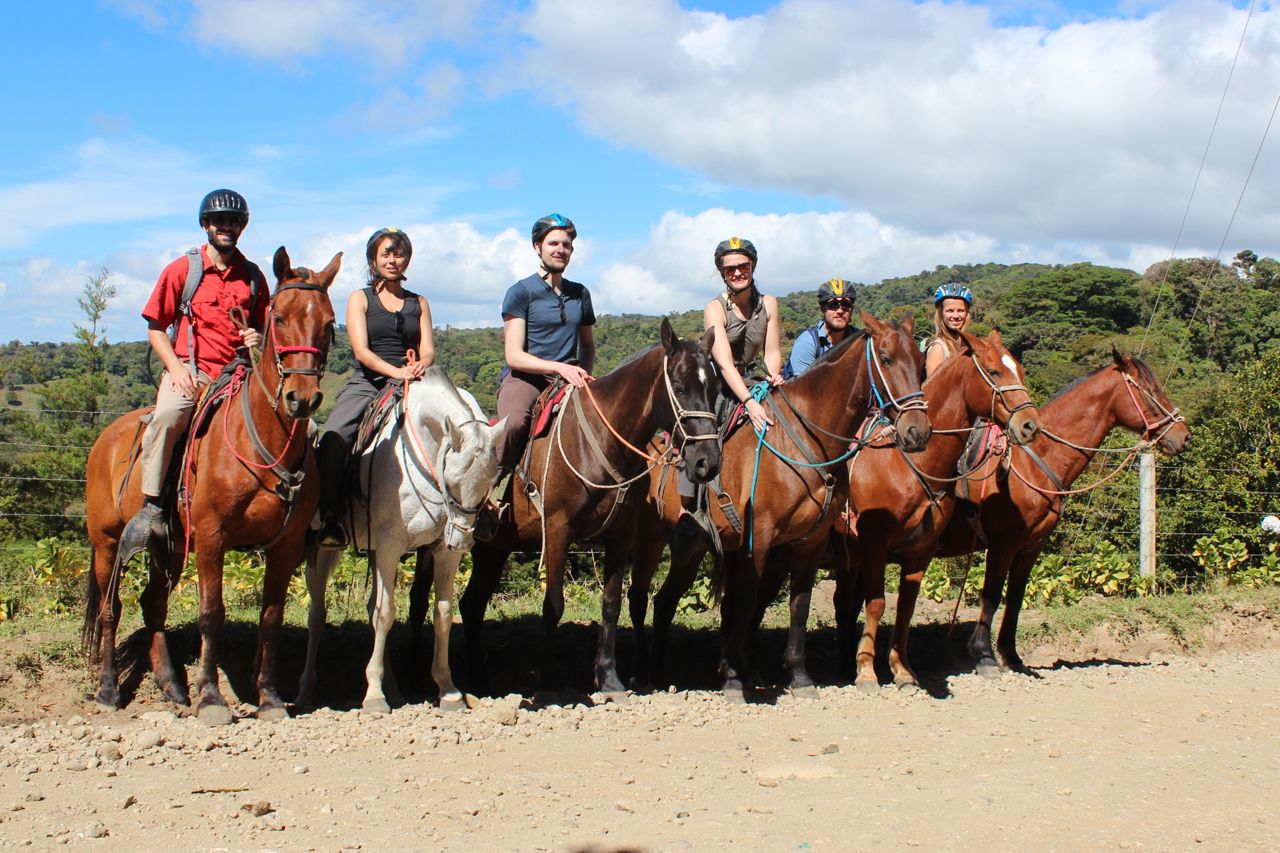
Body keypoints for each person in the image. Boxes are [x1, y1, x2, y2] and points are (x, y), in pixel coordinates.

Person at [119, 189, 267, 554]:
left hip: (238, 376)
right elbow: (156, 327)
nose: (226, 227)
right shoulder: (182, 270)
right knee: (168, 417)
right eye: (219, 221)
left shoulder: (252, 277)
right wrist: (175, 368)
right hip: (192, 372)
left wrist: (256, 336)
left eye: (233, 221)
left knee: (295, 426)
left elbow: (268, 332)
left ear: (242, 226)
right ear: (206, 225)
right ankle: (151, 509)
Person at [474, 213, 596, 541]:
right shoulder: (521, 292)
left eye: (567, 245)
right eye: (554, 243)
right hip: (525, 380)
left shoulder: (579, 293)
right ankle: (485, 499)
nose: (561, 250)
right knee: (512, 424)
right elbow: (514, 354)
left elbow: (587, 345)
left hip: (570, 379)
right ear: (537, 246)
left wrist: (584, 372)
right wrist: (559, 368)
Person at [316, 227, 435, 548]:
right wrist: (396, 371)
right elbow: (362, 352)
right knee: (334, 435)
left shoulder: (419, 301)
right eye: (386, 253)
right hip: (369, 382)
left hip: (415, 378)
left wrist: (420, 364)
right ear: (373, 259)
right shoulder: (360, 298)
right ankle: (329, 516)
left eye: (399, 254)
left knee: (459, 424)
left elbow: (428, 349)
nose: (393, 260)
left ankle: (470, 510)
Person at [671, 236, 783, 559]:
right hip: (719, 383)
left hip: (756, 378)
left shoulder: (769, 304)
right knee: (704, 428)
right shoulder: (715, 308)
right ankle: (690, 506)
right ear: (722, 272)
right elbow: (721, 360)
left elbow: (772, 352)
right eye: (730, 268)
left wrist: (774, 376)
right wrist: (748, 401)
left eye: (743, 266)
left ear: (753, 267)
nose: (737, 273)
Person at [782, 278, 859, 379]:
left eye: (845, 305)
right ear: (823, 309)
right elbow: (803, 390)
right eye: (833, 305)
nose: (840, 311)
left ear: (851, 309)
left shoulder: (860, 339)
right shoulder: (807, 343)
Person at [923, 282, 974, 377]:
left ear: (966, 313)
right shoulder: (939, 348)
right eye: (950, 311)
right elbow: (934, 389)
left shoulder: (968, 346)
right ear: (941, 314)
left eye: (960, 310)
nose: (956, 316)